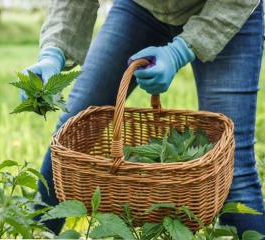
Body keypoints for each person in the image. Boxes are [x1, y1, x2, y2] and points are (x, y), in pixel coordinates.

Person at [22, 0, 265, 236]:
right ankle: (36, 232)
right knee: (71, 133)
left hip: (223, 8)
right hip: (141, 8)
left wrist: (179, 51)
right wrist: (53, 53)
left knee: (233, 166)